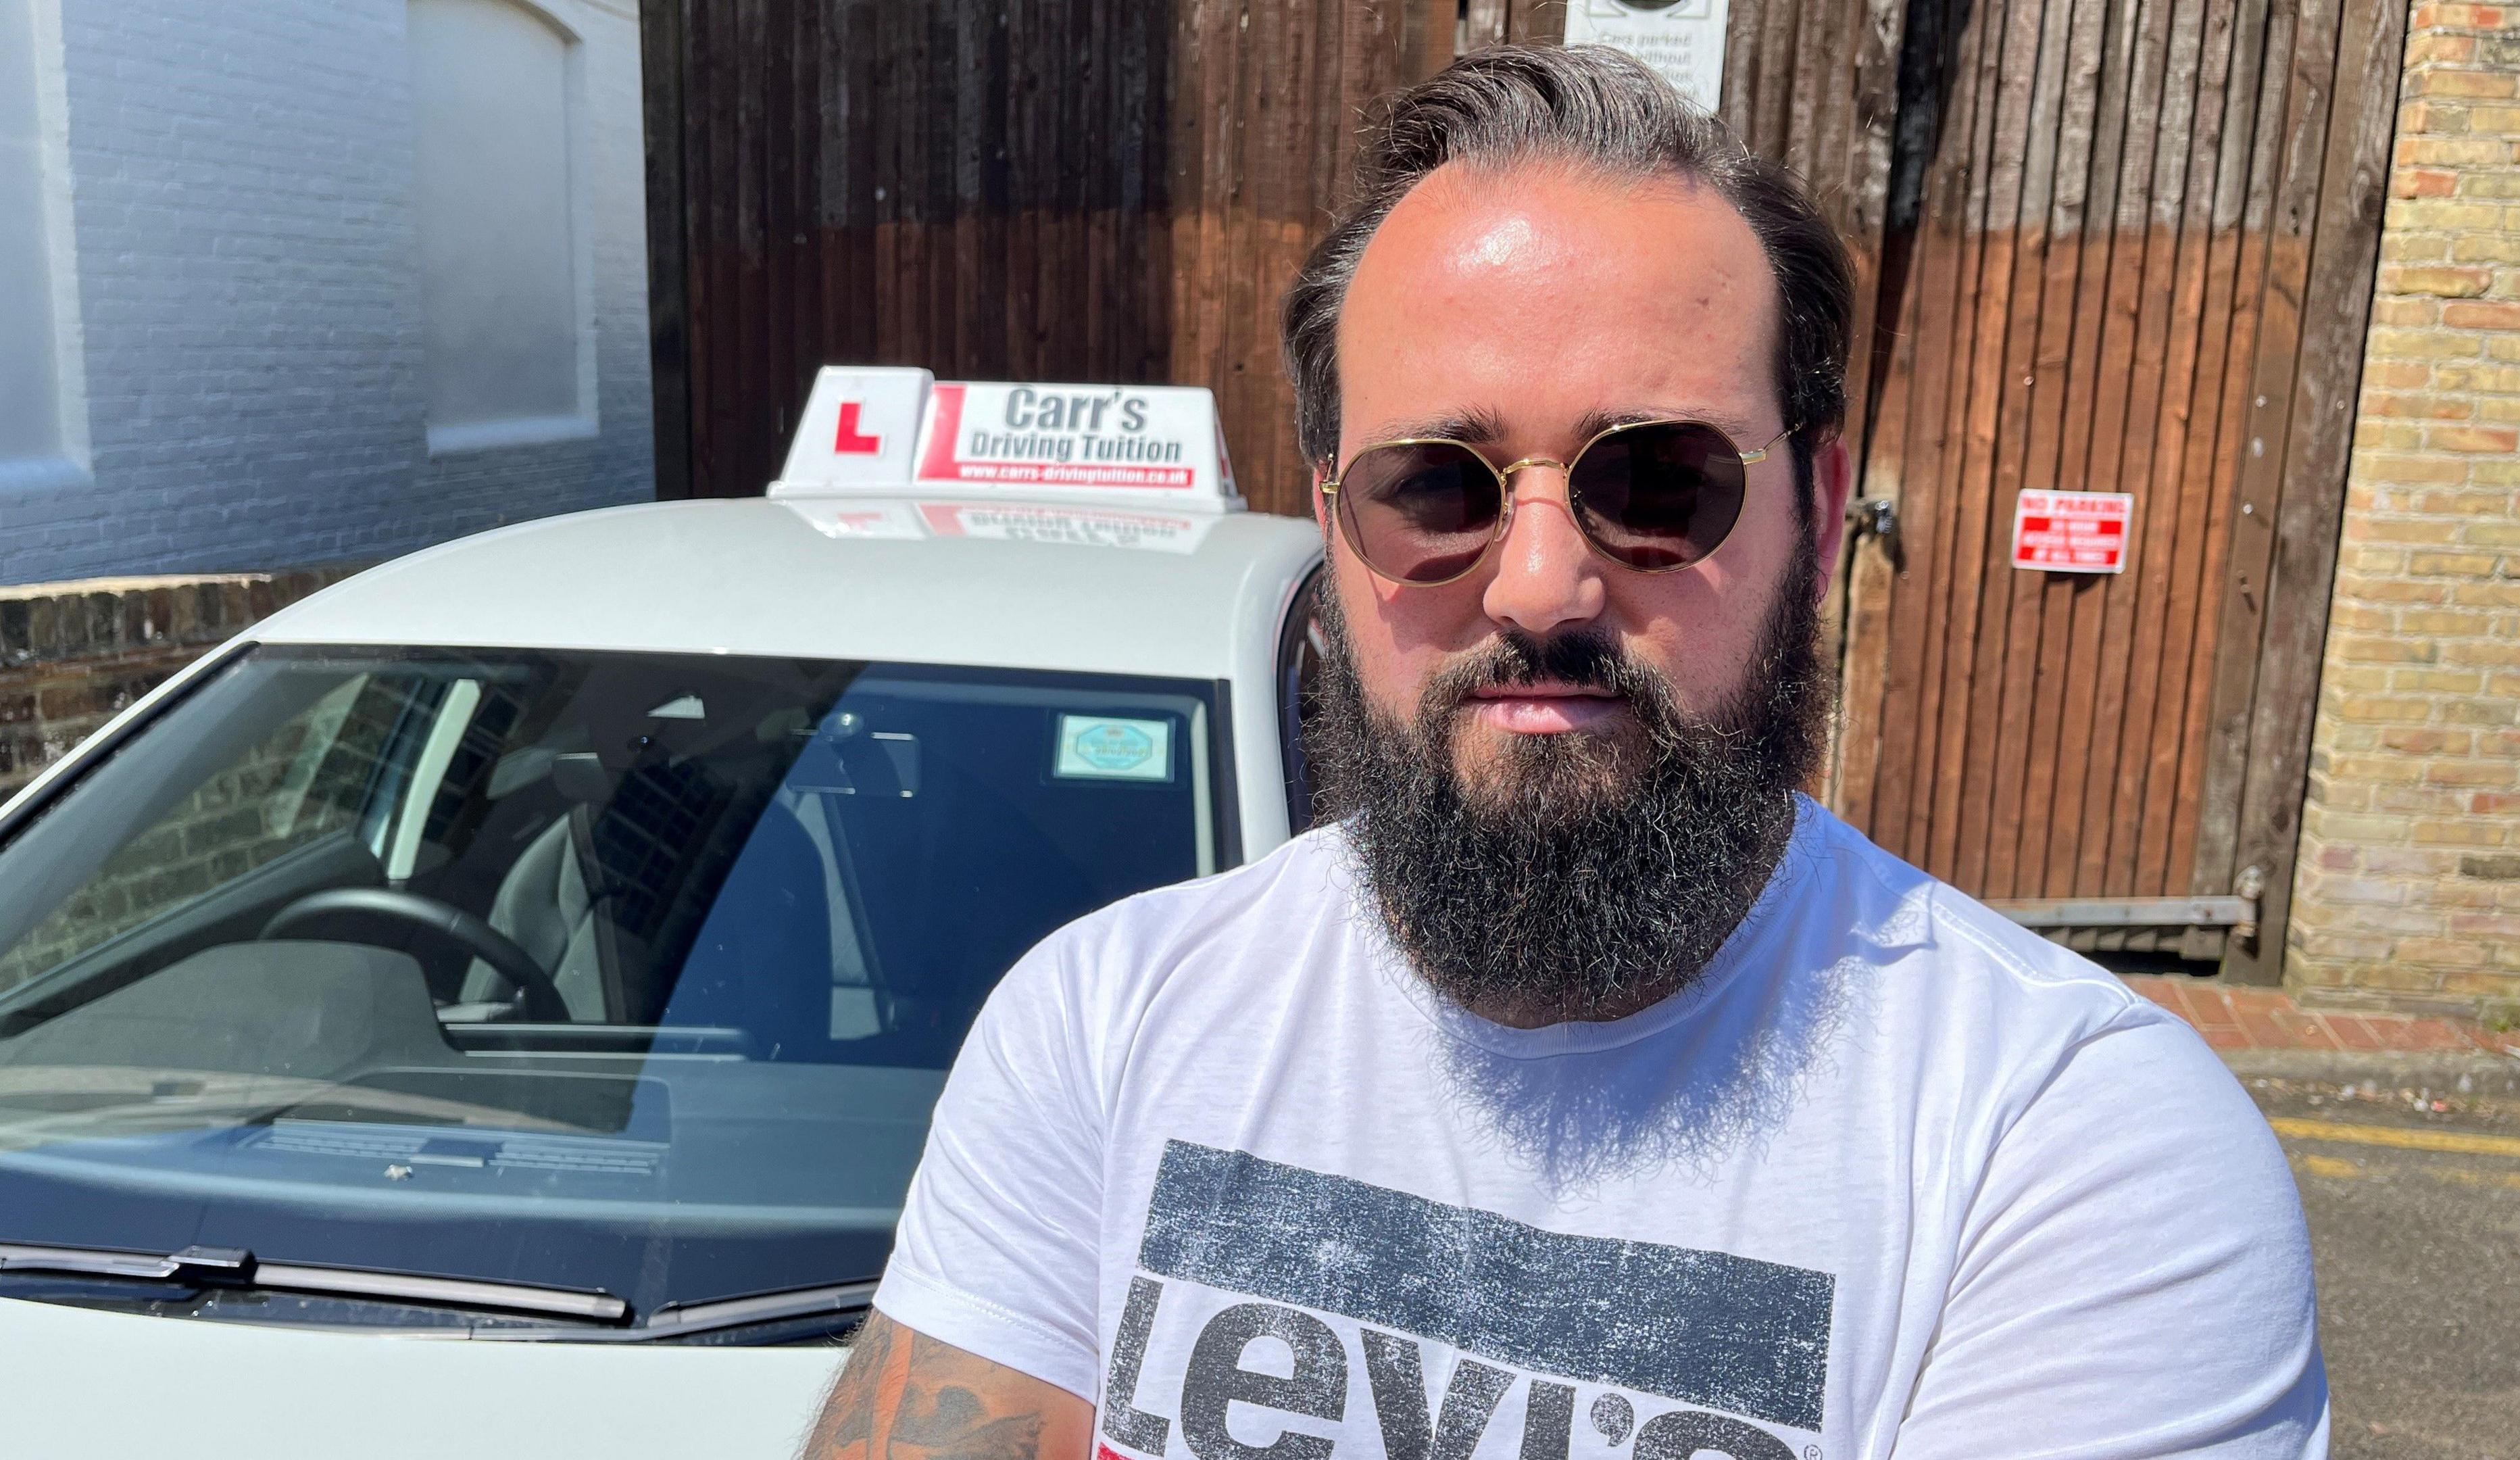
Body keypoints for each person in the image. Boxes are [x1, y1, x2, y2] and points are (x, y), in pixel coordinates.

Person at [804, 45, 2326, 1460]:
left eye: (1659, 479)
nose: (1539, 585)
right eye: (1436, 486)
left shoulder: (2075, 1149)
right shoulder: (1100, 1030)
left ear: (1822, 506)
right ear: (1333, 518)